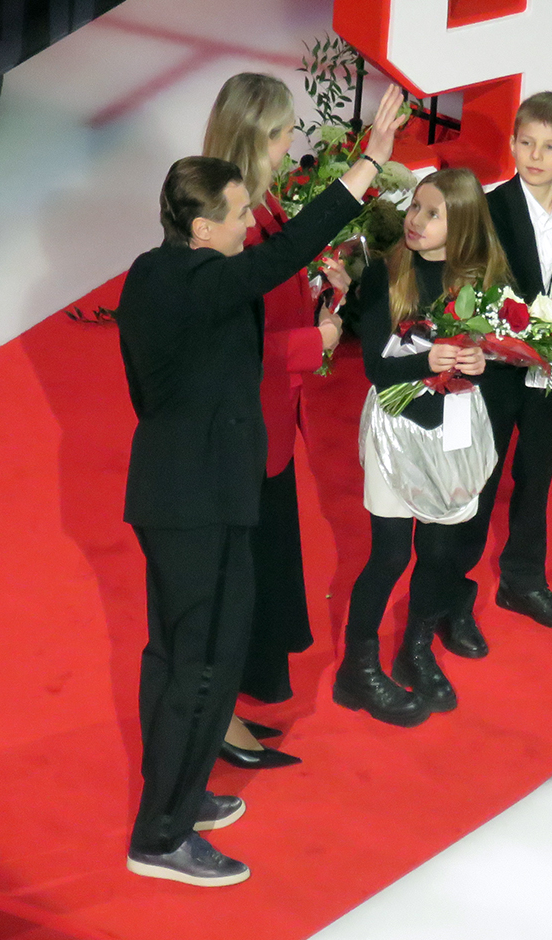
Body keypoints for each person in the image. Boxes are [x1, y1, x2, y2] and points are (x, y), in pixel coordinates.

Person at [116, 84, 405, 885]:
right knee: (200, 664)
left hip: (183, 492)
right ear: (202, 228)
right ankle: (162, 834)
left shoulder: (151, 275)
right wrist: (367, 167)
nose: (251, 226)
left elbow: (156, 389)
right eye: (239, 216)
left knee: (180, 655)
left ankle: (181, 792)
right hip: (200, 503)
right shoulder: (205, 283)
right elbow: (281, 256)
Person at [202, 74, 348, 768]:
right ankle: (218, 722)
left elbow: (273, 293)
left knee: (261, 572)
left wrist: (316, 291)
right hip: (239, 435)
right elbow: (229, 348)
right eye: (286, 132)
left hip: (271, 428)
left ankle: (238, 702)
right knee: (232, 585)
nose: (293, 143)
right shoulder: (223, 224)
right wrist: (313, 343)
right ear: (258, 138)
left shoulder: (257, 201)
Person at [332, 168, 510, 725]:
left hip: (453, 430)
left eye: (433, 214)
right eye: (415, 207)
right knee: (389, 555)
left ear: (464, 227)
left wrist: (480, 363)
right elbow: (375, 367)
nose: (416, 221)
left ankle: (416, 649)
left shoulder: (481, 281)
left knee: (438, 553)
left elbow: (491, 355)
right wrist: (424, 360)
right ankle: (357, 669)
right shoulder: (386, 274)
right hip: (397, 429)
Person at [442, 90, 552, 643]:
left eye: (550, 147)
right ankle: (451, 595)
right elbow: (467, 283)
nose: (536, 156)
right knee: (481, 480)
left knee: (536, 475)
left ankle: (522, 580)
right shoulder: (490, 210)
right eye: (527, 143)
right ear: (512, 144)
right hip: (495, 371)